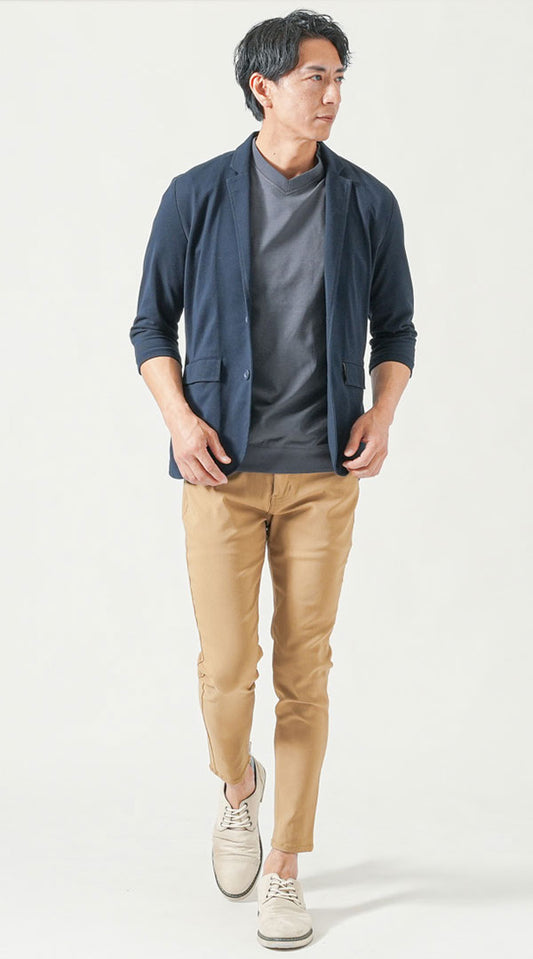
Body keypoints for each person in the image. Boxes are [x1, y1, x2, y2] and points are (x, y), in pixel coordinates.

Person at [129, 8, 417, 950]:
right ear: (263, 87)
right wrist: (180, 422)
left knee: (303, 671)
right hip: (218, 473)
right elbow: (150, 327)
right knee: (225, 668)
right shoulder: (196, 195)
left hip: (323, 476)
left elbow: (396, 330)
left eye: (337, 78)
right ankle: (237, 787)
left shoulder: (367, 202)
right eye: (313, 77)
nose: (330, 94)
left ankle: (286, 867)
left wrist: (381, 412)